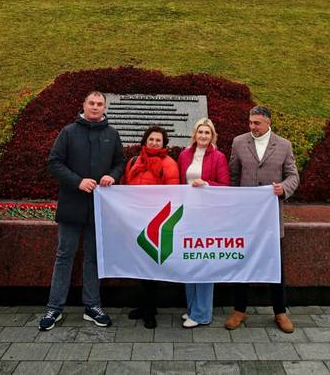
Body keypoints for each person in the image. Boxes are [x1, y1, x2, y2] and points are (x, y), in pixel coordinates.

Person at [38, 91, 125, 331]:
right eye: (91, 103)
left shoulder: (112, 134)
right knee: (64, 255)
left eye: (99, 104)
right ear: (84, 105)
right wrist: (78, 181)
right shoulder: (68, 132)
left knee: (93, 257)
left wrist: (112, 176)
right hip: (71, 204)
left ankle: (92, 306)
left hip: (99, 206)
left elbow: (120, 162)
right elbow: (54, 163)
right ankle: (54, 308)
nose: (95, 107)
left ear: (105, 107)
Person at [225, 106, 299, 333]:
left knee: (275, 264)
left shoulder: (284, 145)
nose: (252, 127)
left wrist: (283, 188)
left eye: (257, 123)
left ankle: (280, 311)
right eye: (250, 122)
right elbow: (233, 176)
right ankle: (239, 310)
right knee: (242, 262)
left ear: (268, 123)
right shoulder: (239, 142)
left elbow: (293, 176)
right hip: (245, 217)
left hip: (270, 217)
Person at [177, 117, 230, 328]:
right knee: (190, 260)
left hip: (208, 215)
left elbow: (225, 185)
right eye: (200, 132)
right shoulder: (184, 155)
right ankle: (192, 309)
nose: (203, 136)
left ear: (212, 136)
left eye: (207, 133)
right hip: (188, 213)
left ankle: (202, 314)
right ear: (195, 134)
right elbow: (180, 183)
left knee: (204, 261)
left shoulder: (218, 157)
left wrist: (207, 184)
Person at [125, 125, 180, 328]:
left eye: (158, 140)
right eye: (151, 139)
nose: (154, 143)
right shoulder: (134, 161)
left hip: (156, 221)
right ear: (145, 141)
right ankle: (143, 305)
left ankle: (149, 310)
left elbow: (172, 194)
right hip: (136, 219)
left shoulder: (169, 164)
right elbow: (126, 187)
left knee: (151, 265)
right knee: (140, 265)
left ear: (164, 143)